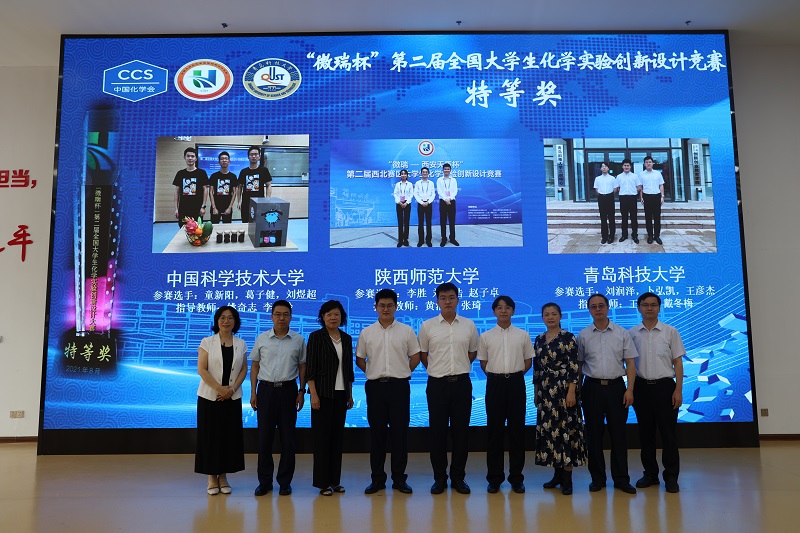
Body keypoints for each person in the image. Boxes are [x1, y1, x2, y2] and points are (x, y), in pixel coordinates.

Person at [356, 289, 421, 495]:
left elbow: (415, 357)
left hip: (399, 387)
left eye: (389, 305)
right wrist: (374, 372)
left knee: (399, 435)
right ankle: (377, 479)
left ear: (396, 307)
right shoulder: (367, 332)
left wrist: (402, 372)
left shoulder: (406, 331)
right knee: (377, 435)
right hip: (375, 388)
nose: (386, 309)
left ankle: (399, 479)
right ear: (375, 307)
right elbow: (360, 359)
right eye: (382, 305)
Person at [418, 282, 479, 495]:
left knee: (461, 434)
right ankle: (439, 478)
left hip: (462, 384)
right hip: (437, 385)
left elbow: (472, 352)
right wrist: (438, 370)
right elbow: (423, 355)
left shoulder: (469, 325)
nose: (447, 301)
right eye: (443, 298)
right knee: (438, 433)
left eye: (451, 297)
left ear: (458, 300)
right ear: (437, 301)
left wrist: (458, 367)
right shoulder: (427, 326)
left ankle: (458, 477)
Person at [577, 294, 639, 494]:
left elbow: (630, 363)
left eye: (601, 306)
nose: (598, 309)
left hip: (616, 388)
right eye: (594, 306)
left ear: (608, 307)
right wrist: (577, 390)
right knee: (594, 436)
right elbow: (579, 366)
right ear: (589, 310)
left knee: (619, 435)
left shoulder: (622, 333)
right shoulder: (583, 335)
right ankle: (597, 479)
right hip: (592, 388)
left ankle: (621, 479)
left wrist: (630, 389)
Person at [249, 300, 306, 497]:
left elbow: (302, 367)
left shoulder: (298, 340)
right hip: (266, 391)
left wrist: (301, 391)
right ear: (272, 316)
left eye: (285, 314)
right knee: (264, 439)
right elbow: (255, 366)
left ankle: (285, 482)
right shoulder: (262, 338)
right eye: (277, 314)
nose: (282, 318)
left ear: (291, 317)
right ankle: (264, 482)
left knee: (288, 439)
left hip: (289, 391)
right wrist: (253, 392)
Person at [629, 292, 685, 493]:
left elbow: (678, 362)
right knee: (646, 434)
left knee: (668, 435)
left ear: (659, 308)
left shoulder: (670, 331)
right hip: (641, 388)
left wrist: (678, 390)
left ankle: (671, 477)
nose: (649, 308)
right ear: (639, 308)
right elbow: (629, 364)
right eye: (645, 305)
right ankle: (650, 474)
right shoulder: (632, 333)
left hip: (665, 387)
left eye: (653, 305)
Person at [477, 295, 533, 494]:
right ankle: (494, 478)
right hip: (495, 384)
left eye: (507, 307)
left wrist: (513, 376)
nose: (503, 311)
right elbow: (483, 363)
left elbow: (528, 361)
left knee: (517, 432)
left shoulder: (523, 335)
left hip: (516, 383)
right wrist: (498, 376)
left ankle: (516, 478)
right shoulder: (485, 336)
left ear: (513, 311)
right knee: (495, 433)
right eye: (499, 307)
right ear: (494, 311)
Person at [533, 302, 586, 496]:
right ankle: (557, 474)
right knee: (551, 433)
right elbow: (537, 368)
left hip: (564, 390)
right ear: (542, 317)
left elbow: (574, 367)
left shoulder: (568, 337)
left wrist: (572, 391)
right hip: (546, 391)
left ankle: (567, 478)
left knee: (566, 432)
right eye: (546, 314)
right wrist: (536, 392)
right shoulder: (539, 339)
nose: (550, 317)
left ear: (560, 316)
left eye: (554, 314)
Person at [195, 305, 248, 495]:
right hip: (210, 397)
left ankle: (223, 476)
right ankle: (212, 477)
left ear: (235, 321)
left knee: (228, 438)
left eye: (230, 318)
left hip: (232, 398)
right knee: (210, 437)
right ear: (217, 321)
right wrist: (220, 389)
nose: (226, 321)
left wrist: (231, 390)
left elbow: (244, 369)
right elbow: (202, 369)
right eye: (222, 317)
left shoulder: (241, 343)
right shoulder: (207, 342)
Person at [306, 300, 355, 496]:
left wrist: (350, 394)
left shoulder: (347, 338)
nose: (333, 318)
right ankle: (322, 483)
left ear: (342, 317)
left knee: (337, 439)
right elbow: (310, 368)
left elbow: (348, 369)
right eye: (329, 314)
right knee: (322, 440)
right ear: (322, 317)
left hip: (341, 395)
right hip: (322, 394)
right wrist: (313, 394)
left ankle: (335, 481)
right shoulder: (316, 337)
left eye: (337, 314)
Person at [173, 146, 208, 227]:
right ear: (184, 158)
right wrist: (176, 208)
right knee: (183, 229)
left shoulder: (201, 173)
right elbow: (176, 191)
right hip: (183, 209)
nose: (190, 158)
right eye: (188, 156)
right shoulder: (180, 173)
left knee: (197, 230)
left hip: (197, 209)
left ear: (196, 158)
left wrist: (203, 206)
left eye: (192, 156)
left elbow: (205, 190)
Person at [238, 146, 272, 223]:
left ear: (259, 156)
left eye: (256, 154)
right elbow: (239, 187)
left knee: (259, 223)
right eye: (251, 154)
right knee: (245, 223)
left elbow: (268, 185)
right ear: (248, 157)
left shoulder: (264, 170)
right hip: (246, 203)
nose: (253, 156)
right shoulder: (243, 171)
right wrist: (239, 201)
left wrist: (267, 199)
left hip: (260, 203)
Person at [639, 156, 665, 245]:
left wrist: (662, 196)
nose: (648, 164)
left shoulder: (658, 173)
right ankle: (650, 235)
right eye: (646, 162)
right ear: (644, 164)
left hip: (656, 197)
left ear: (653, 163)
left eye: (650, 162)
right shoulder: (641, 174)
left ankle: (657, 236)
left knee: (657, 218)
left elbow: (661, 185)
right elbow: (641, 187)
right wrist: (641, 197)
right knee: (648, 218)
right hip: (647, 197)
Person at [208, 151, 237, 224]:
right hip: (215, 206)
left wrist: (230, 207)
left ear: (229, 162)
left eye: (226, 159)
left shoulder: (233, 176)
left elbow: (234, 193)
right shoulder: (214, 176)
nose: (224, 160)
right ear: (219, 162)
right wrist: (214, 208)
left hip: (227, 206)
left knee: (227, 227)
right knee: (213, 227)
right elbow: (211, 192)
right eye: (222, 159)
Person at [617, 159, 642, 243]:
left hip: (632, 198)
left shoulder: (635, 176)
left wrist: (633, 192)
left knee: (634, 218)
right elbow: (618, 187)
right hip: (623, 198)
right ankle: (624, 235)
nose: (626, 167)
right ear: (622, 166)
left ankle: (635, 235)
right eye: (625, 165)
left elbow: (639, 187)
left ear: (630, 167)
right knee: (624, 218)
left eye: (628, 165)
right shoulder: (619, 176)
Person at [593, 162, 618, 245]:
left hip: (610, 197)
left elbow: (615, 189)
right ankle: (604, 236)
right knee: (603, 218)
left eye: (606, 166)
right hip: (601, 198)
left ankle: (611, 236)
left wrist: (609, 195)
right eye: (602, 166)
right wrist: (601, 195)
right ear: (600, 168)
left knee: (611, 218)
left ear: (608, 168)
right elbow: (596, 189)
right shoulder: (597, 179)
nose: (604, 168)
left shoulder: (612, 178)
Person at [437, 163, 460, 246]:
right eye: (445, 169)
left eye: (448, 169)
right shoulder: (439, 180)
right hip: (443, 202)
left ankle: (452, 238)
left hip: (451, 201)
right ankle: (443, 238)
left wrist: (450, 198)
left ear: (450, 170)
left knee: (452, 220)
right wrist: (445, 199)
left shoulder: (453, 180)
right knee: (443, 221)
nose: (446, 170)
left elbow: (455, 191)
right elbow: (439, 191)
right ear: (442, 170)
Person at [414, 166, 435, 247]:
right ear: (421, 173)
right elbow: (416, 194)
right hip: (420, 204)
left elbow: (433, 194)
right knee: (420, 222)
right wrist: (421, 202)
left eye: (426, 172)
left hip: (429, 204)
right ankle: (421, 240)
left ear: (428, 173)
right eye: (423, 172)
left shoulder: (431, 183)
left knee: (429, 222)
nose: (425, 173)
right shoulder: (418, 183)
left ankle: (428, 240)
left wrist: (428, 202)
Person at [393, 169, 413, 247]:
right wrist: (399, 202)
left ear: (407, 175)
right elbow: (395, 194)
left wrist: (406, 202)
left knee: (406, 222)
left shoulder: (410, 184)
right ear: (400, 175)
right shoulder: (398, 184)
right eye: (402, 174)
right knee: (400, 222)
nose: (403, 175)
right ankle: (400, 240)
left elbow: (411, 194)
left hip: (407, 204)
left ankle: (406, 239)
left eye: (405, 174)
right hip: (399, 204)